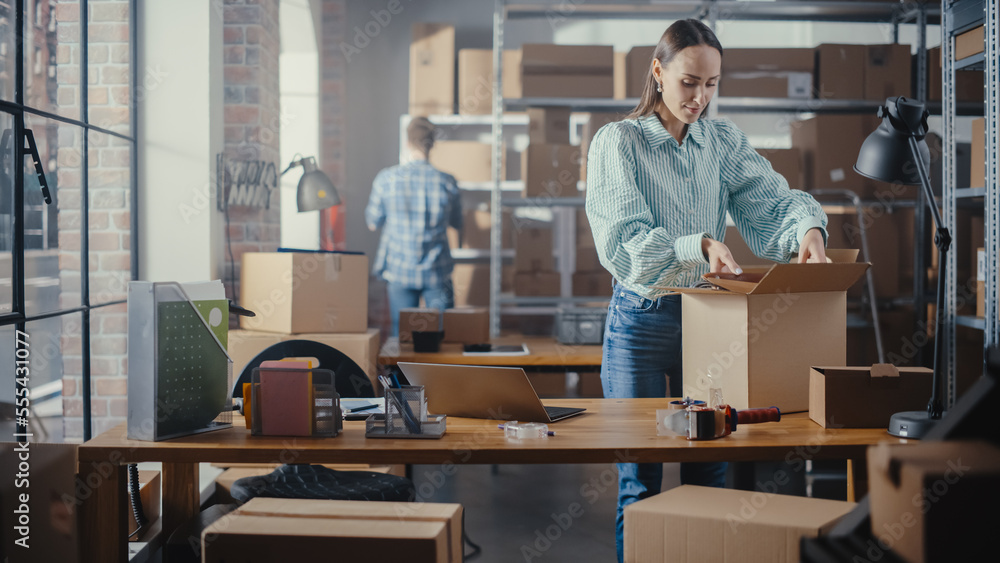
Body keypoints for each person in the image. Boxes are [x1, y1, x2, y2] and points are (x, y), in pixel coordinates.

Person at [585, 19, 829, 561]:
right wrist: (697, 244)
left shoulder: (722, 142)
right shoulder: (617, 143)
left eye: (713, 84)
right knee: (640, 480)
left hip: (710, 321)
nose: (701, 97)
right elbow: (622, 244)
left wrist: (808, 228)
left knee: (710, 472)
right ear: (658, 71)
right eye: (690, 82)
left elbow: (772, 203)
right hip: (641, 321)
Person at [366, 117, 462, 337]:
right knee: (442, 337)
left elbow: (372, 222)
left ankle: (404, 373)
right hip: (437, 270)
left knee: (403, 338)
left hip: (400, 269)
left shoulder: (387, 179)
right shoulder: (447, 181)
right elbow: (457, 223)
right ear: (432, 144)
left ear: (408, 143)